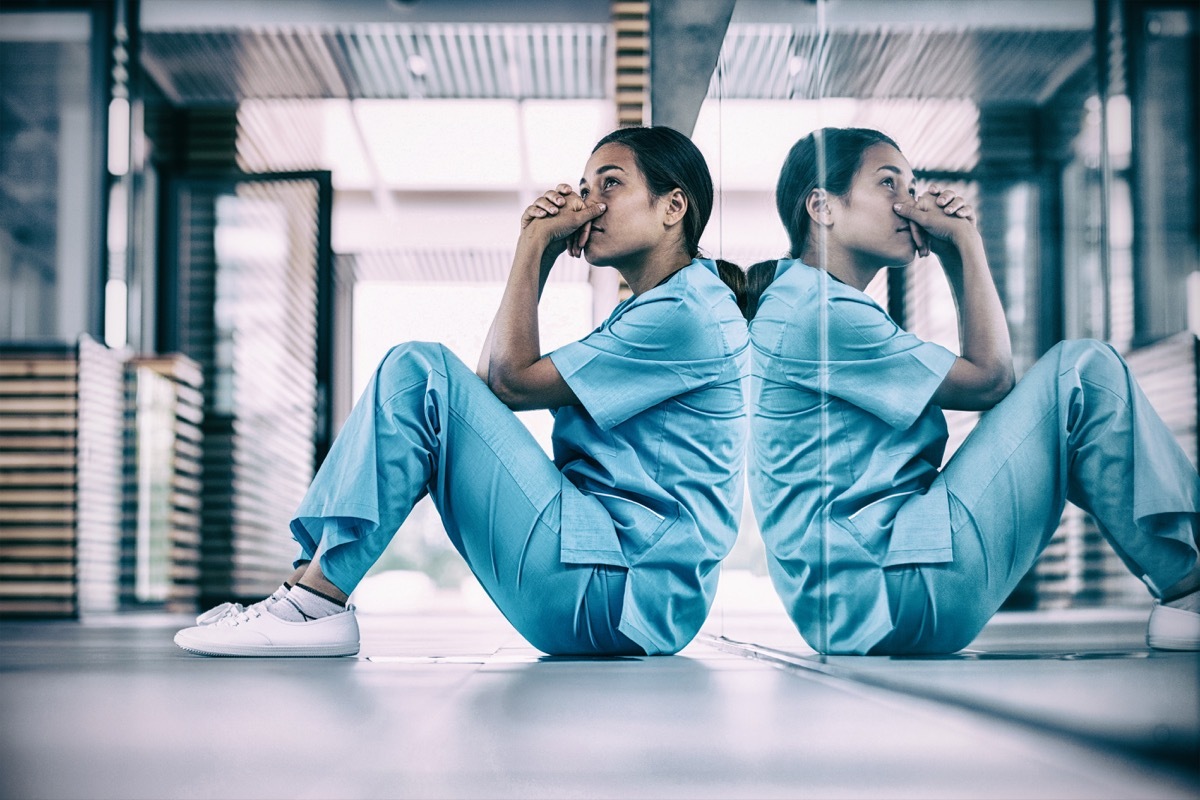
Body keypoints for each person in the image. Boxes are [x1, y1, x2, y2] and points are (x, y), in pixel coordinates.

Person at [175, 126, 749, 658]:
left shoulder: (685, 313)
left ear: (673, 206)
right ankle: (305, 595)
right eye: (583, 186)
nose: (589, 203)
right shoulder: (662, 307)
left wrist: (533, 245)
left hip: (614, 588)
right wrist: (540, 252)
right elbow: (493, 385)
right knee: (426, 381)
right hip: (609, 582)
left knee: (420, 372)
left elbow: (505, 381)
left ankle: (312, 605)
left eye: (611, 184)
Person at [747, 126, 1200, 655]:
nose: (909, 204)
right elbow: (990, 380)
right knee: (1083, 372)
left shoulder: (805, 303)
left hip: (868, 599)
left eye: (911, 187)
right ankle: (1190, 589)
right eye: (888, 184)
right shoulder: (819, 313)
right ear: (822, 207)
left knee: (1072, 382)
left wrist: (956, 252)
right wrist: (965, 243)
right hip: (895, 588)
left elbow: (987, 378)